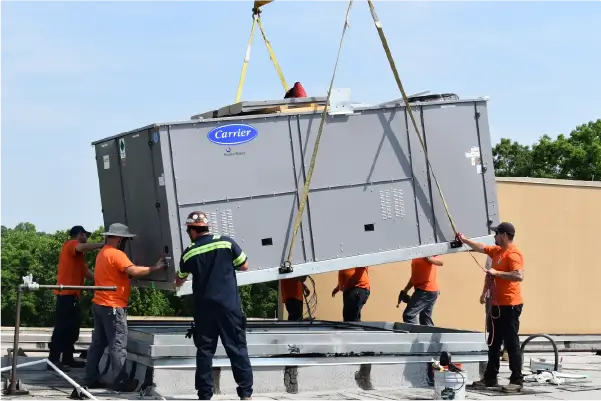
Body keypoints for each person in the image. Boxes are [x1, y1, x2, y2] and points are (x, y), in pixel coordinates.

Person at [174, 211, 254, 401]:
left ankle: (205, 395)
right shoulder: (226, 242)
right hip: (228, 307)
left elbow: (178, 281)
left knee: (205, 352)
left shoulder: (189, 253)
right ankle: (245, 394)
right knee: (237, 349)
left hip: (204, 310)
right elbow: (244, 266)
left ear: (192, 230)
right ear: (206, 227)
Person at [84, 223, 166, 391]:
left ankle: (90, 378)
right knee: (117, 345)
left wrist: (130, 270)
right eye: (126, 240)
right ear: (120, 239)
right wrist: (155, 267)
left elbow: (118, 274)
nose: (126, 243)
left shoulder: (102, 253)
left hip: (99, 304)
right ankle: (121, 382)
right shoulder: (116, 254)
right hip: (112, 305)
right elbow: (134, 271)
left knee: (98, 344)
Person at [458, 222, 525, 391]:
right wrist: (464, 239)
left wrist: (498, 273)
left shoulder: (513, 254)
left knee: (511, 343)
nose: (494, 236)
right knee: (493, 342)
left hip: (510, 305)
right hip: (496, 304)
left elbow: (519, 275)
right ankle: (490, 378)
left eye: (496, 234)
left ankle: (516, 381)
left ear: (503, 235)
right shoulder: (496, 251)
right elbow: (480, 247)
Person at [48, 226, 104, 371]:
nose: (87, 238)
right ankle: (53, 360)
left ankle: (67, 358)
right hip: (65, 295)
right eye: (86, 235)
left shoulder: (78, 257)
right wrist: (103, 245)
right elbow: (82, 247)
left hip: (72, 296)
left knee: (72, 329)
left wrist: (103, 282)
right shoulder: (71, 244)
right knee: (62, 328)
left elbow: (86, 272)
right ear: (81, 234)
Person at [400, 255, 444, 326]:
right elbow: (414, 276)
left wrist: (428, 258)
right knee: (425, 319)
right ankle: (427, 336)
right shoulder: (415, 256)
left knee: (409, 315)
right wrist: (406, 290)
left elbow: (441, 262)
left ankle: (415, 335)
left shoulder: (429, 251)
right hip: (426, 291)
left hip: (426, 290)